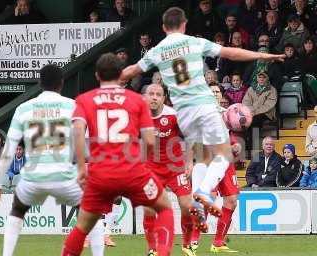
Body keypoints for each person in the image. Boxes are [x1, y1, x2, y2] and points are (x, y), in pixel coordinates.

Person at [120, 6, 285, 229]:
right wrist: (263, 55)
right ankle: (204, 194)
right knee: (224, 154)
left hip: (183, 112)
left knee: (203, 157)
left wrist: (112, 82)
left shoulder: (156, 50)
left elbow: (131, 71)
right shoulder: (194, 42)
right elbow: (231, 52)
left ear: (163, 27)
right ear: (184, 24)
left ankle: (198, 204)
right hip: (204, 105)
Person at [50, 53, 179, 256]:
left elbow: (77, 133)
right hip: (133, 172)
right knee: (164, 207)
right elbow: (150, 141)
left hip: (100, 174)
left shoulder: (84, 99)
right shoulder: (136, 100)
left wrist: (81, 168)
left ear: (97, 75)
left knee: (83, 225)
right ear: (121, 75)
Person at [0, 64, 108, 256]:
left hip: (33, 179)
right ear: (62, 83)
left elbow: (8, 150)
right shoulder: (74, 106)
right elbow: (89, 147)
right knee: (95, 214)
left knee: (17, 210)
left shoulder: (24, 108)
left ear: (40, 83)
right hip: (65, 177)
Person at [142, 83, 196, 256]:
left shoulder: (173, 115)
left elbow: (190, 136)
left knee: (187, 206)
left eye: (158, 94)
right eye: (151, 93)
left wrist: (189, 161)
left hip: (175, 167)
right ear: (145, 96)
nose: (155, 97)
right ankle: (152, 250)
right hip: (150, 168)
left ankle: (187, 245)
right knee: (149, 208)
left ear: (164, 98)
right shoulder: (137, 115)